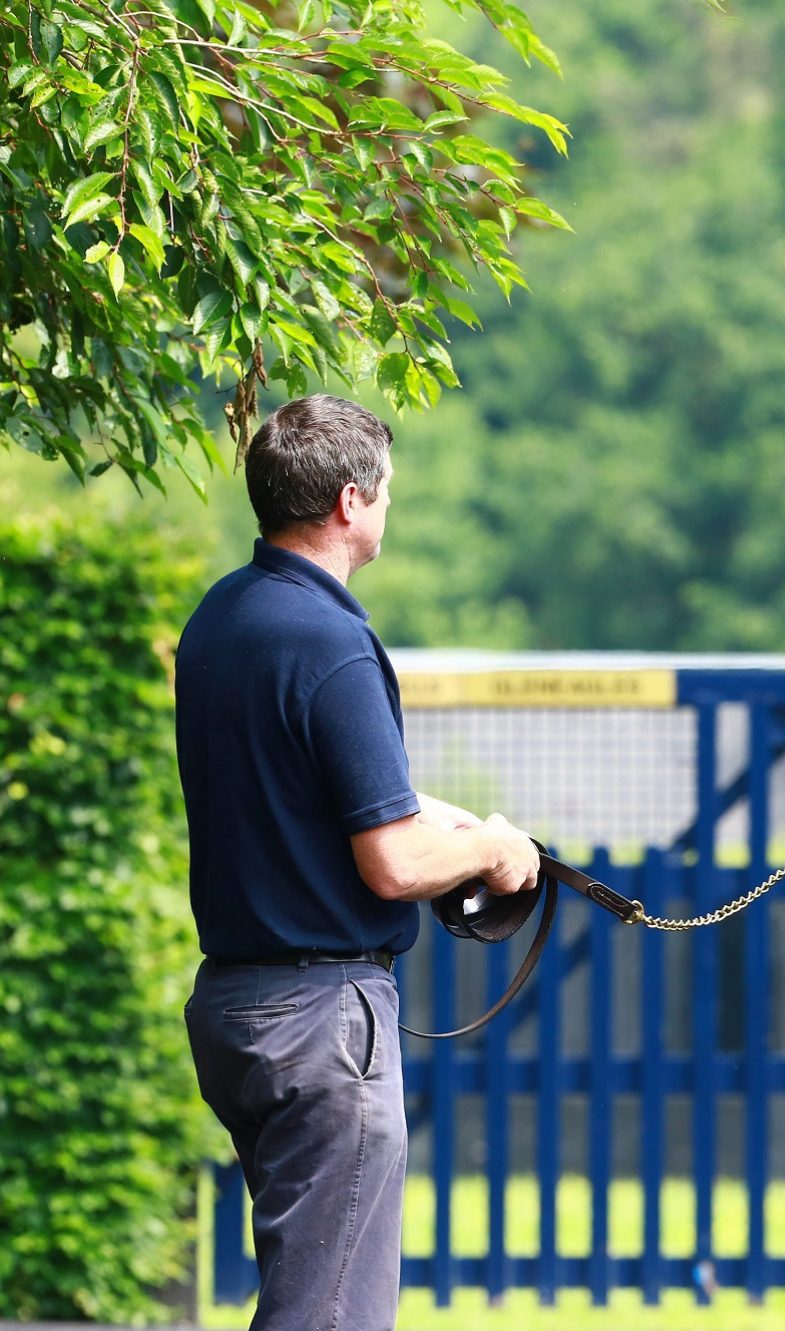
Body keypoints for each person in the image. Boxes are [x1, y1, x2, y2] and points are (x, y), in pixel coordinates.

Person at [174, 394, 540, 1331]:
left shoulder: (225, 617)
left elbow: (315, 790)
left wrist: (450, 821)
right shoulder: (333, 642)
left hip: (236, 1005)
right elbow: (389, 861)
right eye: (384, 492)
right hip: (320, 1023)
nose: (387, 507)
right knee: (329, 1313)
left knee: (303, 1290)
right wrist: (495, 850)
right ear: (349, 501)